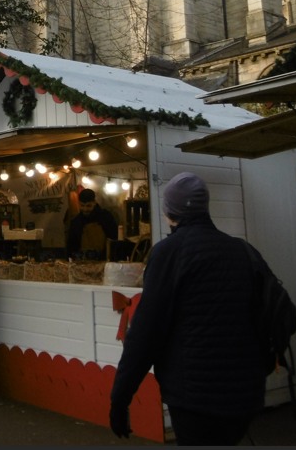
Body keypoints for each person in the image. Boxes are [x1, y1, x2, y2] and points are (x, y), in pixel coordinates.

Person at [109, 172, 268, 446]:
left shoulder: (168, 252)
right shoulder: (241, 250)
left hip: (195, 396)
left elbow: (146, 334)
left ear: (170, 212)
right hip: (245, 392)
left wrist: (120, 399)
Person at [66, 187, 118, 260]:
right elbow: (71, 246)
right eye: (82, 205)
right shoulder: (76, 222)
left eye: (88, 206)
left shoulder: (106, 217)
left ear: (94, 202)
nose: (85, 209)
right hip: (82, 263)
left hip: (104, 261)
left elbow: (114, 240)